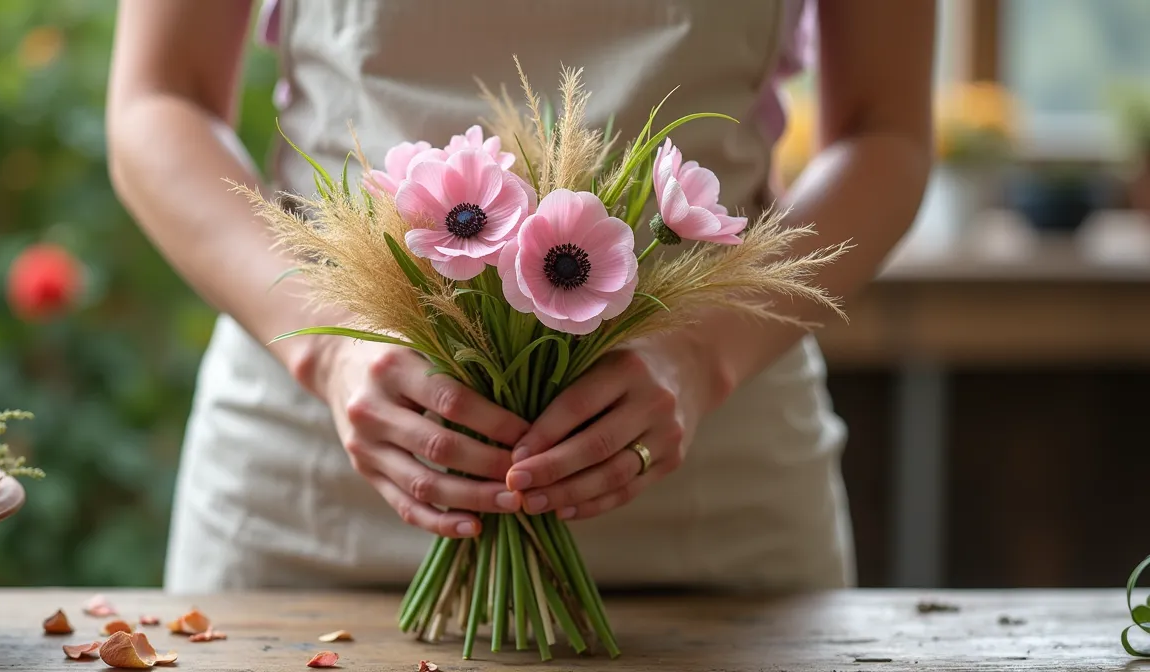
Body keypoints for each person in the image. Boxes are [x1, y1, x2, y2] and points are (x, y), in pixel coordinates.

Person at [106, 0, 934, 592]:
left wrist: (702, 355)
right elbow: (158, 99)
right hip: (315, 501)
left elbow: (885, 133)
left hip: (713, 510)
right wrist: (327, 348)